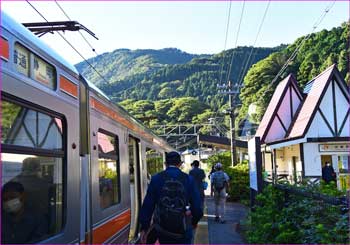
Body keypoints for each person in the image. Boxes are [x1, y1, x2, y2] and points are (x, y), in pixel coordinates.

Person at [139, 151, 203, 244]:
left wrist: (144, 227)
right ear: (180, 164)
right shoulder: (189, 179)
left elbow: (148, 205)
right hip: (183, 228)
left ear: (165, 164)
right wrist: (194, 222)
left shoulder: (156, 178)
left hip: (163, 229)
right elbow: (197, 207)